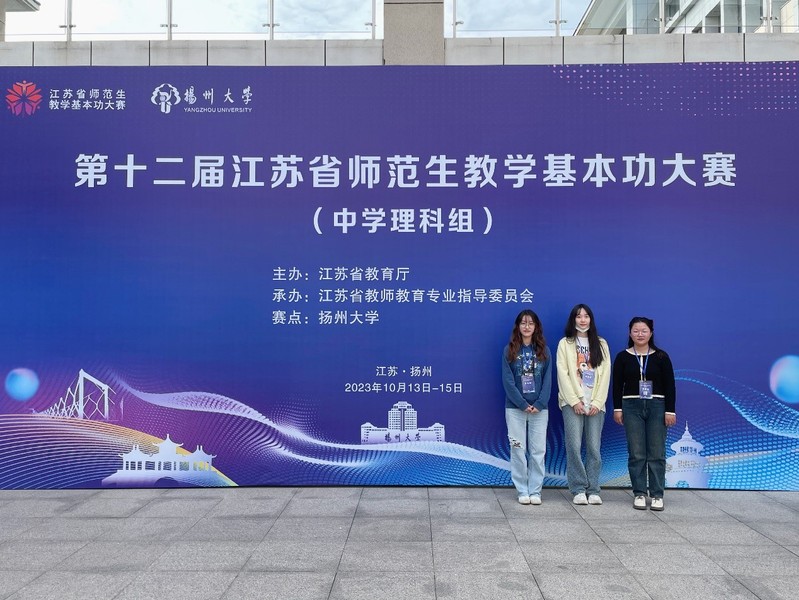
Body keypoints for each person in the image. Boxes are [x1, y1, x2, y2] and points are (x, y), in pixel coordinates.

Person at [612, 317, 676, 511]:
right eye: (636, 331)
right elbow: (617, 385)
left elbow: (670, 386)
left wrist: (670, 411)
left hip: (657, 405)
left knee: (656, 452)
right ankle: (639, 493)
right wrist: (617, 408)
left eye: (644, 331)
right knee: (636, 452)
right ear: (630, 333)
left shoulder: (661, 357)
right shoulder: (622, 357)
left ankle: (657, 494)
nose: (640, 334)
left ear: (651, 333)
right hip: (631, 406)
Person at [556, 304, 610, 506]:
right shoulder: (565, 343)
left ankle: (593, 489)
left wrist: (597, 402)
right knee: (574, 446)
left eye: (586, 316)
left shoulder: (601, 344)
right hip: (573, 403)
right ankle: (578, 489)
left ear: (591, 319)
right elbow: (563, 374)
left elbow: (606, 374)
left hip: (596, 404)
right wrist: (575, 400)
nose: (583, 320)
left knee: (594, 448)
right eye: (578, 316)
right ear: (573, 320)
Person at [502, 309, 552, 505]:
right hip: (515, 409)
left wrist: (539, 403)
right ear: (518, 326)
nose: (527, 326)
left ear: (536, 327)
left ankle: (535, 491)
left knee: (538, 451)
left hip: (540, 410)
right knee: (518, 449)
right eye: (523, 323)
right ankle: (522, 490)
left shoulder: (544, 351)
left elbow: (548, 380)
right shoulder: (509, 350)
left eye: (531, 323)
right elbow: (508, 381)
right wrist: (522, 403)